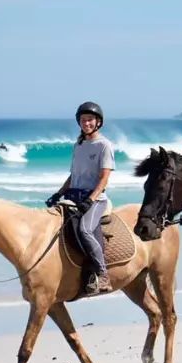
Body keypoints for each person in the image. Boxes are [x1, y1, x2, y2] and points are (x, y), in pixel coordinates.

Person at [46, 101, 116, 295]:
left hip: (96, 199)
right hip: (73, 195)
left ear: (98, 122)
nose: (86, 123)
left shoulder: (104, 145)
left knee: (85, 229)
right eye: (83, 120)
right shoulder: (79, 145)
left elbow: (104, 178)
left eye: (90, 120)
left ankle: (103, 275)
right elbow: (73, 176)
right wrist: (59, 193)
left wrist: (90, 200)